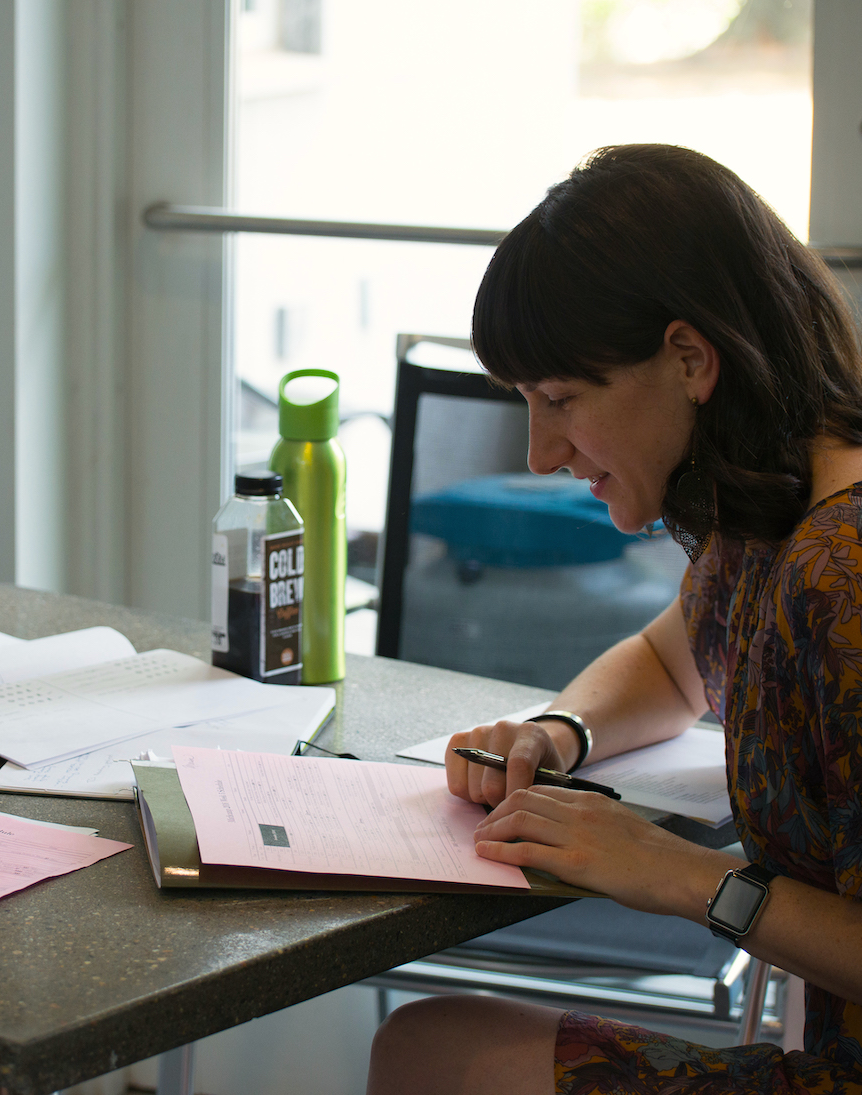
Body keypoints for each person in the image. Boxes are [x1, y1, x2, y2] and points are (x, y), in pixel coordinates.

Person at [367, 145, 862, 1094]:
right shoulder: (771, 519)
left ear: (689, 359)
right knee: (430, 1048)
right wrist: (558, 733)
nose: (541, 450)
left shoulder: (845, 577)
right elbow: (672, 665)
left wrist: (680, 875)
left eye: (561, 399)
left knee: (435, 1056)